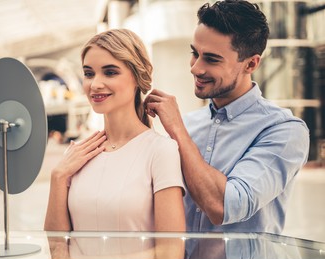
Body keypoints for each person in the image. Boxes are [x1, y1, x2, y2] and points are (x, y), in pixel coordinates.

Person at [145, 0, 310, 234]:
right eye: (195, 53)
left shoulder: (284, 131)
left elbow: (224, 207)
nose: (195, 68)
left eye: (211, 59)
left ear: (251, 64)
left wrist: (177, 131)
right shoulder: (190, 124)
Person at [44, 29, 185, 239]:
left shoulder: (161, 151)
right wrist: (58, 177)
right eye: (89, 73)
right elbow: (56, 244)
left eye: (110, 72)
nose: (95, 84)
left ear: (137, 77)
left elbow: (170, 253)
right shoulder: (76, 154)